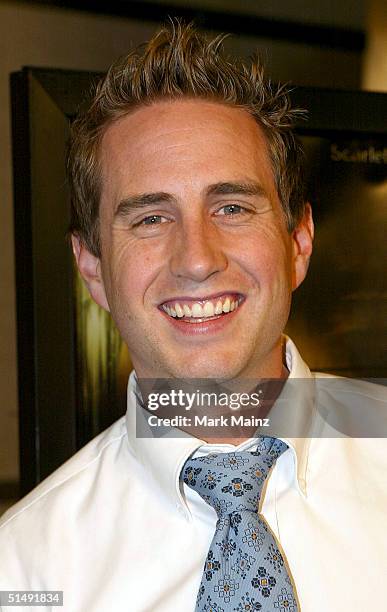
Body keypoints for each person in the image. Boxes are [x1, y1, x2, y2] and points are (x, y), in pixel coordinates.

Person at [0, 20, 386, 612]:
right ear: (93, 269)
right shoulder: (25, 569)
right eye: (151, 218)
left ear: (299, 243)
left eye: (231, 206)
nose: (198, 259)